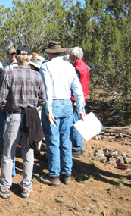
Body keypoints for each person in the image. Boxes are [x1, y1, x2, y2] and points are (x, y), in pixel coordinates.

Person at [0, 45, 46, 199]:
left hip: (14, 116)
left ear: (18, 57)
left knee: (8, 153)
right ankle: (26, 187)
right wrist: (33, 107)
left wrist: (6, 108)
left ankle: (5, 187)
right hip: (31, 116)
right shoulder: (37, 75)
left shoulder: (10, 74)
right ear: (29, 58)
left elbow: (1, 100)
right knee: (28, 152)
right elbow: (43, 99)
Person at [39, 41, 85, 186]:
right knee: (66, 141)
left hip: (53, 103)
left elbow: (47, 89)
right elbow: (78, 89)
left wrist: (49, 109)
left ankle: (54, 175)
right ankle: (67, 173)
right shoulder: (69, 67)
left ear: (50, 53)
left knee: (53, 141)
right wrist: (81, 109)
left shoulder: (46, 66)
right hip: (67, 105)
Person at [70, 47, 90, 158]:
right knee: (78, 121)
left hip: (76, 98)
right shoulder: (84, 66)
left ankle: (77, 148)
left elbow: (74, 85)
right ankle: (79, 146)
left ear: (74, 57)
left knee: (75, 123)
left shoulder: (77, 68)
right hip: (83, 96)